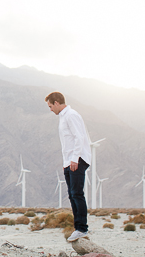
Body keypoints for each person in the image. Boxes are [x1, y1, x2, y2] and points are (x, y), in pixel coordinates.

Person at [45, 91, 92, 242]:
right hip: (69, 161)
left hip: (76, 160)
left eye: (51, 106)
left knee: (77, 193)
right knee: (72, 195)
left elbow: (80, 137)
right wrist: (67, 162)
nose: (50, 109)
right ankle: (78, 228)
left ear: (57, 103)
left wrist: (74, 159)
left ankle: (82, 229)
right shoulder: (63, 117)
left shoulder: (71, 115)